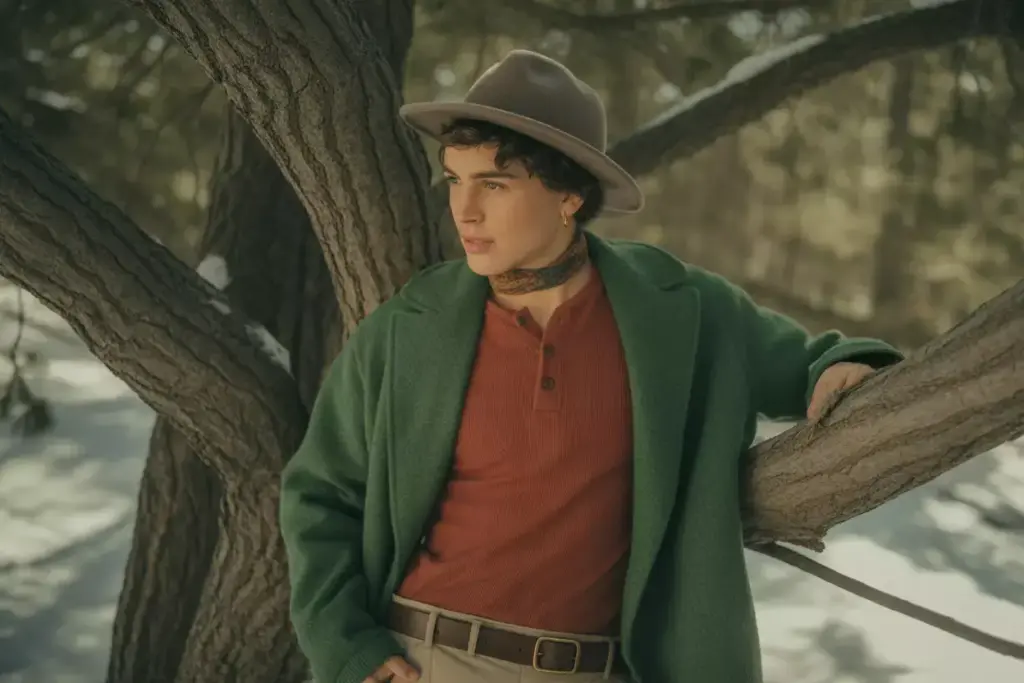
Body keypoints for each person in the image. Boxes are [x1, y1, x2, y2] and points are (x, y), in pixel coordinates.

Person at [278, 49, 903, 683]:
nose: (464, 210)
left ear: (569, 195)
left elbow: (811, 360)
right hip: (423, 659)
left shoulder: (679, 312)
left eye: (493, 184)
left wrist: (839, 368)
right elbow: (320, 494)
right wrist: (347, 644)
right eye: (454, 180)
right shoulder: (411, 324)